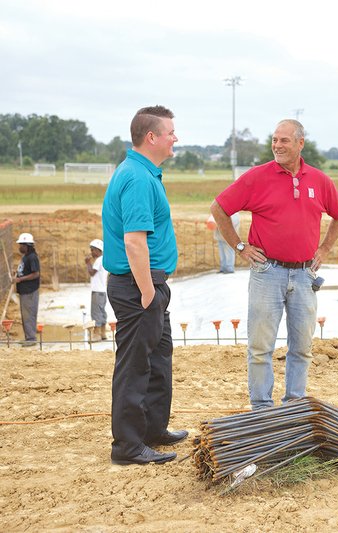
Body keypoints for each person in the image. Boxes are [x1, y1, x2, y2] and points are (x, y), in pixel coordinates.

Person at [210, 119, 338, 409]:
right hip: (267, 272)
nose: (277, 146)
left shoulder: (319, 180)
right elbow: (219, 208)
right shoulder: (257, 177)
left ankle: (294, 405)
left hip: (304, 275)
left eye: (284, 140)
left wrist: (324, 248)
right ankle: (261, 407)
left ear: (300, 143)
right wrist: (239, 246)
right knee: (260, 347)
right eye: (274, 140)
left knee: (302, 346)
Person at [101, 105, 187, 466]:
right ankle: (128, 446)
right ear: (151, 137)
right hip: (139, 286)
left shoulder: (144, 173)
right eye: (170, 132)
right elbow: (134, 241)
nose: (175, 138)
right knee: (135, 364)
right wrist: (148, 293)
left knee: (157, 358)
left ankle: (152, 429)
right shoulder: (137, 178)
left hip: (146, 285)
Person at [13, 232, 40, 347]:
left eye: (21, 245)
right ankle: (28, 337)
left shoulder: (32, 257)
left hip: (30, 291)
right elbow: (25, 271)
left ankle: (31, 338)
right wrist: (17, 274)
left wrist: (21, 279)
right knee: (25, 315)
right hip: (24, 291)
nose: (19, 247)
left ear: (27, 245)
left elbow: (36, 274)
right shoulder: (26, 257)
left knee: (29, 315)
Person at [84, 239, 108, 341]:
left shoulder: (99, 260)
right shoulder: (104, 259)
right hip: (102, 291)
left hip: (97, 291)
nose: (91, 252)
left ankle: (96, 335)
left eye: (92, 250)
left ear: (98, 250)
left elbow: (92, 273)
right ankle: (103, 333)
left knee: (96, 312)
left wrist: (88, 263)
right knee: (102, 311)